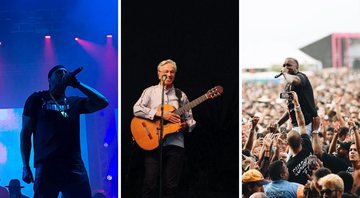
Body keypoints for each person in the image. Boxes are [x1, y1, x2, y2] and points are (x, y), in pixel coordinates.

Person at [20, 65, 109, 198]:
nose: (63, 74)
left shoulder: (74, 102)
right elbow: (26, 133)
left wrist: (78, 84)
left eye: (65, 72)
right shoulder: (36, 99)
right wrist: (25, 166)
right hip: (46, 166)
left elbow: (103, 102)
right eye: (59, 72)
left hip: (74, 166)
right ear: (50, 79)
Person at [133, 59, 196, 198]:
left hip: (175, 144)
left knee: (170, 186)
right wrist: (160, 114)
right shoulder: (150, 92)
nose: (169, 74)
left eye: (172, 72)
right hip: (153, 143)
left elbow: (190, 119)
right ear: (159, 74)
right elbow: (136, 109)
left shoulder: (181, 95)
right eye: (166, 71)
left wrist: (187, 125)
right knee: (150, 184)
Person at [275, 57, 318, 137]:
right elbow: (290, 109)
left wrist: (285, 73)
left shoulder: (301, 77)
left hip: (306, 125)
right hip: (295, 126)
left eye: (289, 65)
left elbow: (295, 81)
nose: (285, 67)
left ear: (297, 67)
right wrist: (277, 124)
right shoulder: (288, 85)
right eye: (284, 65)